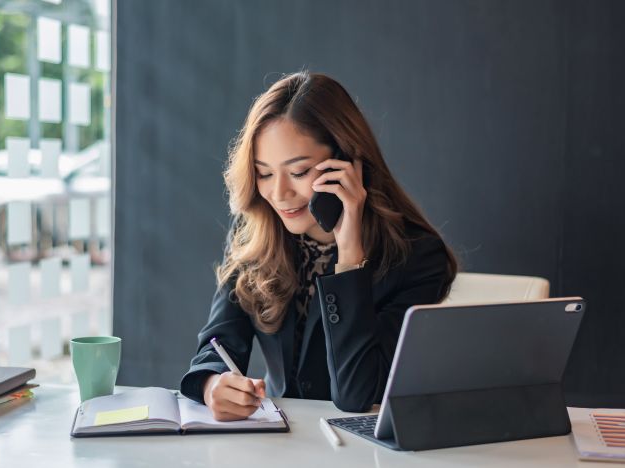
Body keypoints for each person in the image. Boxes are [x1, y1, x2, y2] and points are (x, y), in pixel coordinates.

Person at [180, 71, 457, 420]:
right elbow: (219, 341)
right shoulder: (258, 233)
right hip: (280, 442)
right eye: (264, 173)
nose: (279, 194)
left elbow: (357, 395)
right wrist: (211, 384)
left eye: (298, 172)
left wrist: (350, 258)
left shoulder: (416, 256)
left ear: (348, 163)